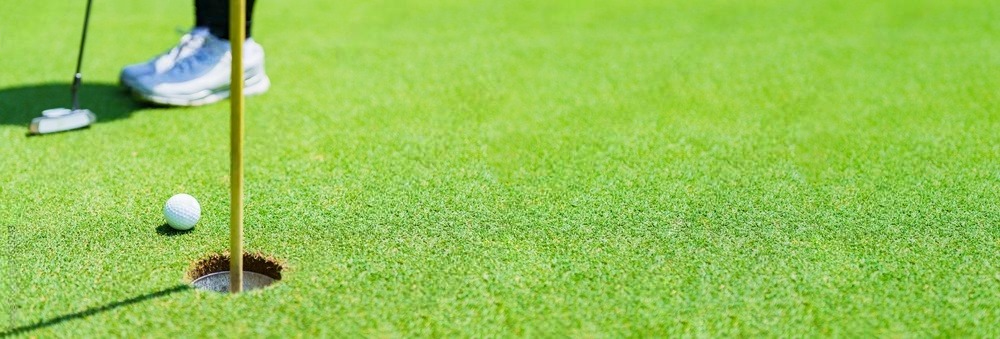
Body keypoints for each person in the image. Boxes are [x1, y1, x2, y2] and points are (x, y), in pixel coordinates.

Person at [120, 0, 268, 106]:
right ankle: (206, 33)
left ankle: (229, 45)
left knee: (225, 33)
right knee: (207, 25)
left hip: (234, 51)